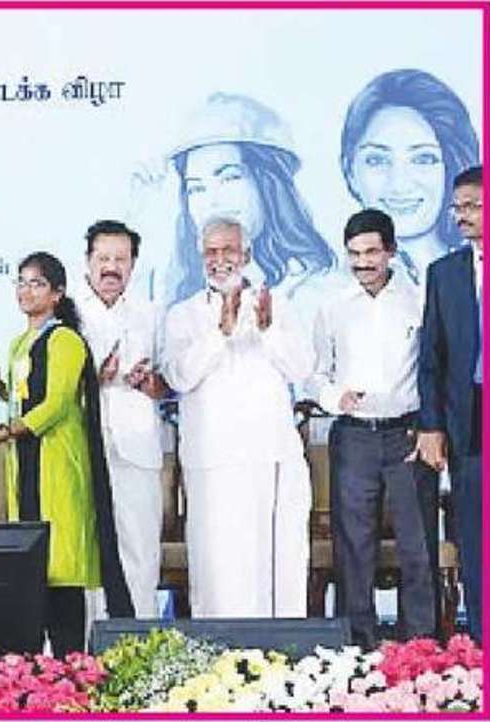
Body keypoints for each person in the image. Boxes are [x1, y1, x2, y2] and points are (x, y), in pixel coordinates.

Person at [0, 252, 132, 654]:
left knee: (62, 569)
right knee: (34, 569)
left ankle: (70, 663)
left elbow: (56, 405)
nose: (27, 291)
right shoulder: (18, 344)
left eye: (37, 283)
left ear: (57, 293)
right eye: (22, 282)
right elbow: (25, 401)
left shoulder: (66, 340)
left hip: (58, 464)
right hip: (24, 463)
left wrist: (1, 435)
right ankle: (40, 671)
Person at [161, 216, 313, 618]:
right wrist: (220, 333)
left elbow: (301, 368)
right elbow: (179, 377)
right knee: (218, 569)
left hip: (270, 454)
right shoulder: (183, 314)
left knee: (275, 566)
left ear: (246, 254)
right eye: (211, 251)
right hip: (213, 461)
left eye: (228, 250)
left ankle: (279, 651)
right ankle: (220, 653)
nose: (219, 259)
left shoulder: (276, 305)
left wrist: (267, 330)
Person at [309, 209, 436, 647]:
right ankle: (356, 647)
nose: (362, 263)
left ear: (391, 251)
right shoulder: (333, 306)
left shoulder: (419, 299)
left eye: (371, 252)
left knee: (417, 546)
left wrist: (430, 428)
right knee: (353, 547)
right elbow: (315, 375)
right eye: (354, 254)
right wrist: (334, 398)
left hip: (407, 435)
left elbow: (434, 368)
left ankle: (420, 647)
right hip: (354, 436)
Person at [160, 93, 338, 320]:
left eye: (229, 177)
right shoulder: (184, 306)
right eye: (196, 188)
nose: (212, 201)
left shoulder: (319, 292)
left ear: (269, 184)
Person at [74, 220, 167, 620]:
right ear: (88, 261)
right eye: (103, 258)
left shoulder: (152, 314)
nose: (111, 268)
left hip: (137, 447)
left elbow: (171, 384)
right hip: (82, 446)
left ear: (133, 264)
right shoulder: (67, 312)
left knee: (140, 548)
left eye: (121, 259)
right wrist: (94, 379)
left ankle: (139, 638)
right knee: (86, 550)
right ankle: (85, 644)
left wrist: (150, 382)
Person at [416, 165, 483, 642]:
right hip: (470, 421)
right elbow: (432, 356)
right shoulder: (445, 273)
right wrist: (431, 425)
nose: (462, 216)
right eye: (457, 207)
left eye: (473, 206)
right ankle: (482, 646)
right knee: (475, 543)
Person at [340, 69, 481, 282]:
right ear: (350, 171)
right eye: (377, 160)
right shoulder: (325, 289)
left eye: (423, 159)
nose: (399, 184)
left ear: (452, 168)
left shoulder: (475, 273)